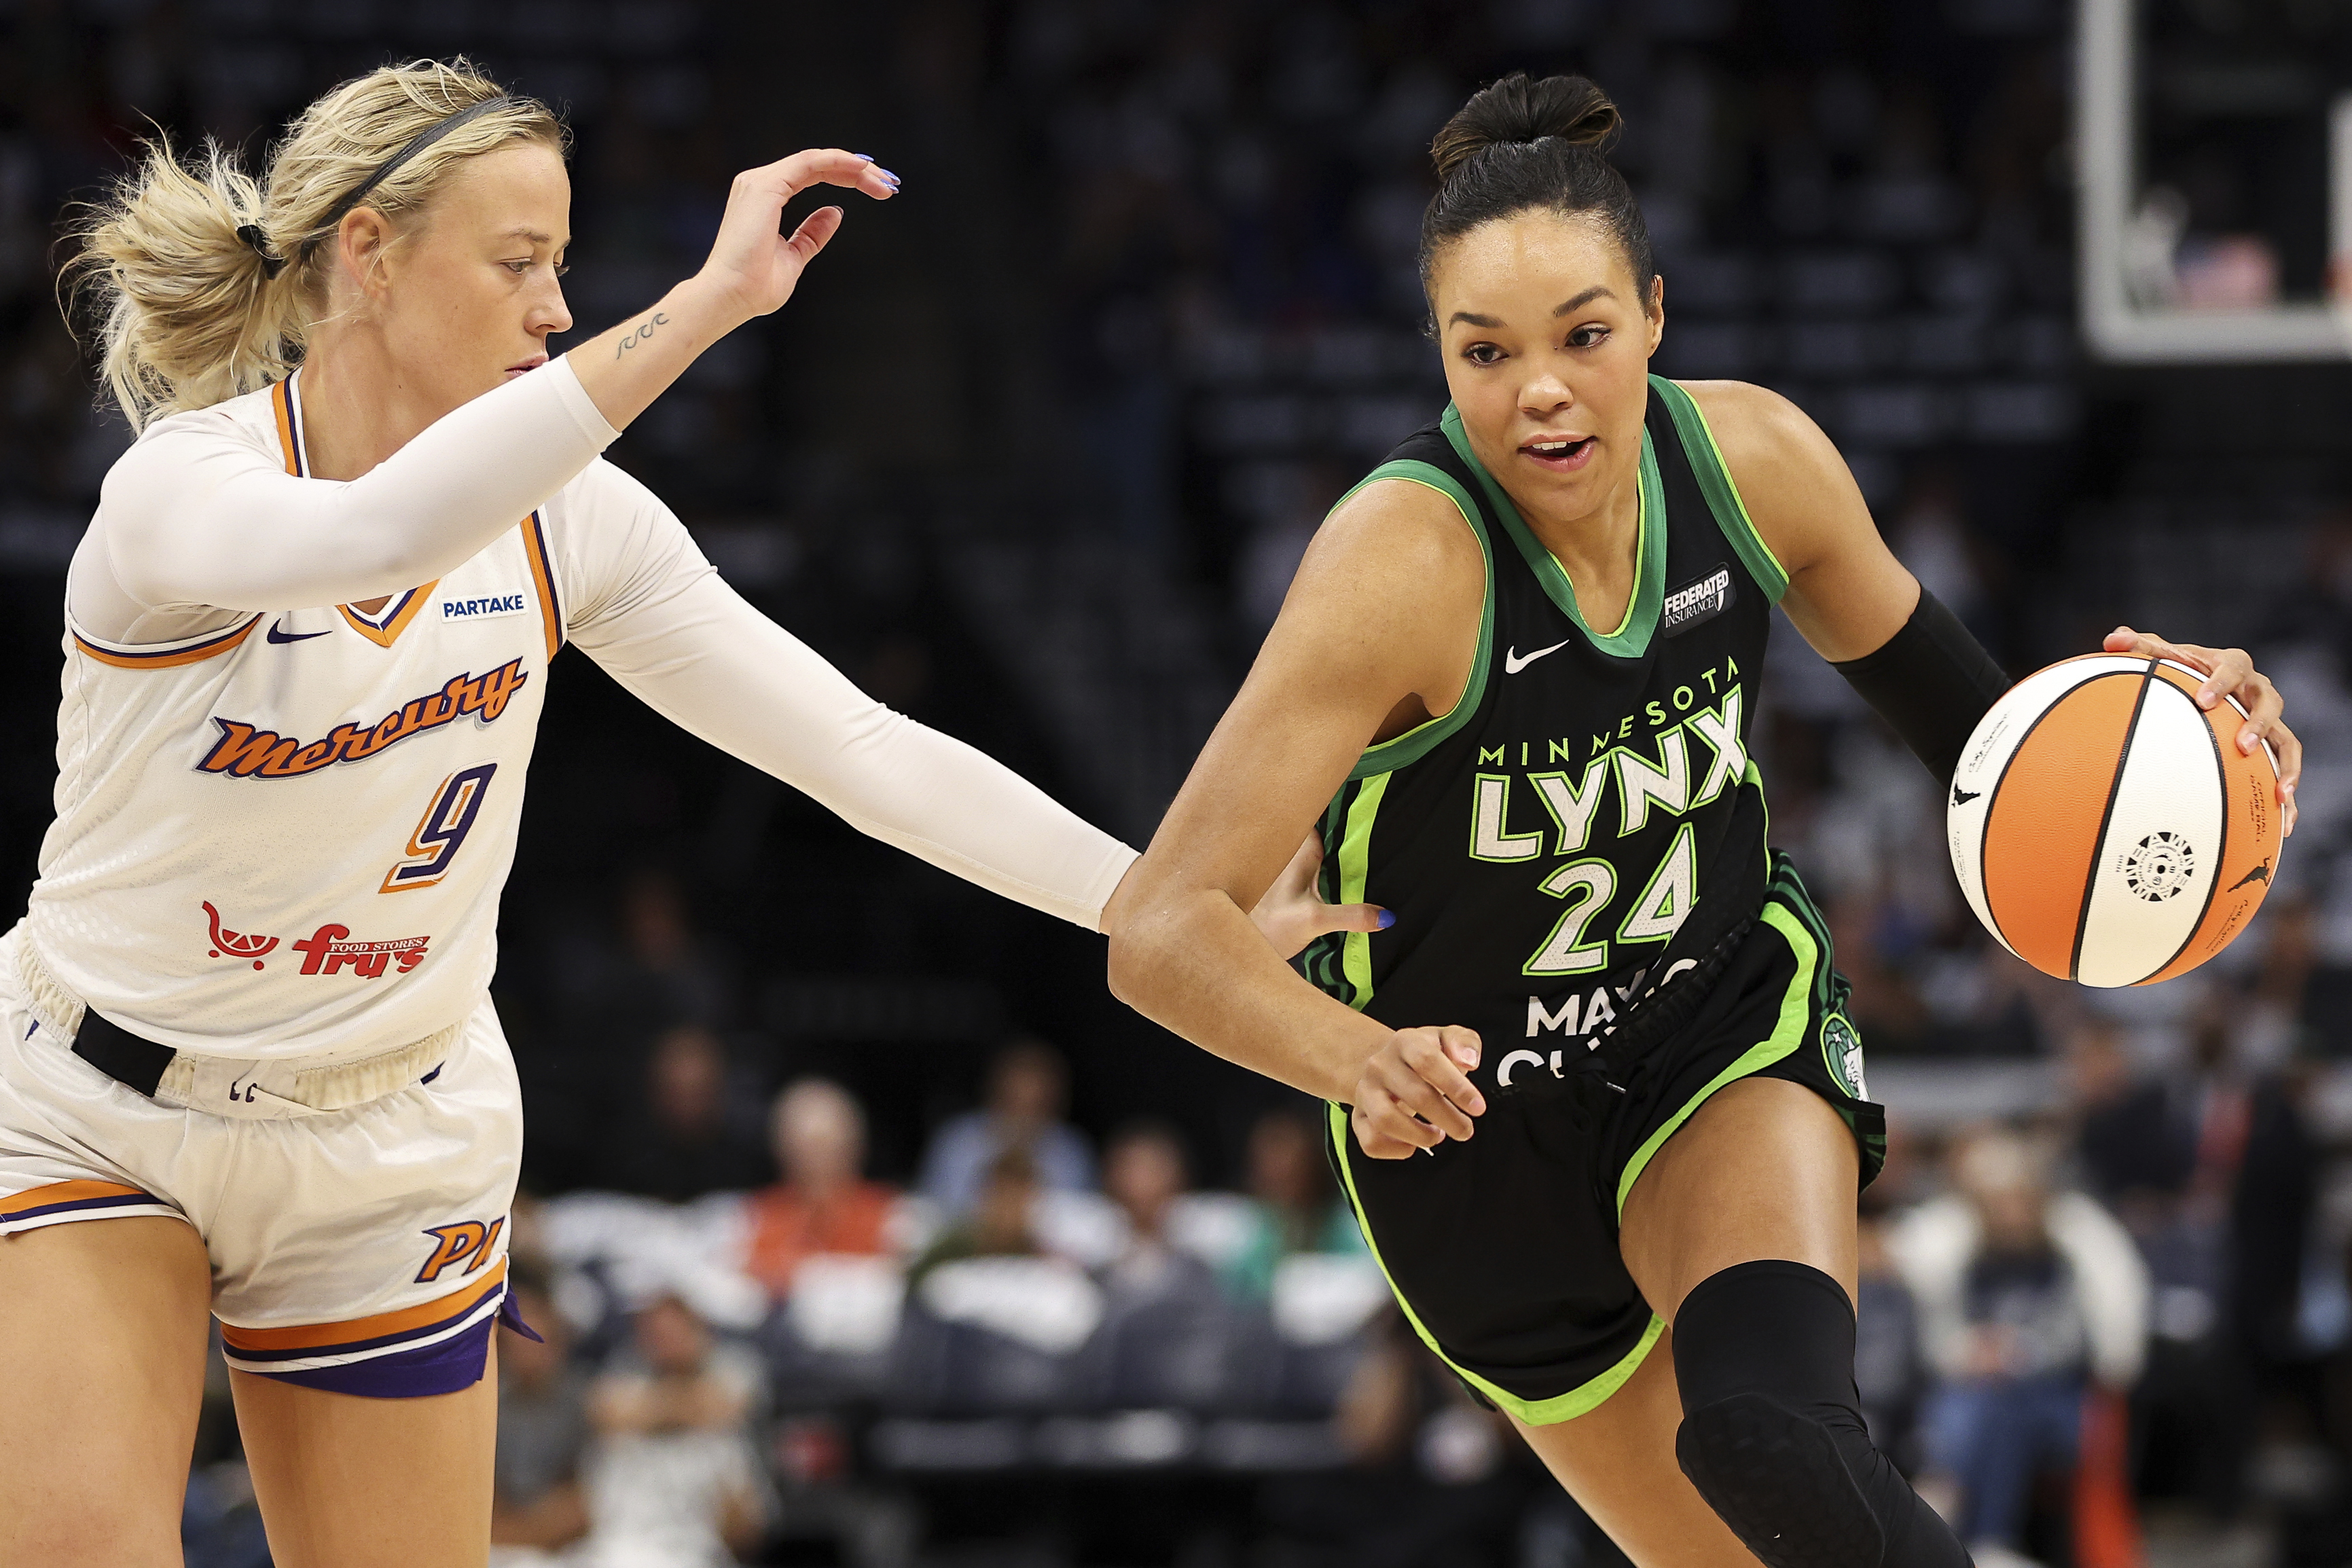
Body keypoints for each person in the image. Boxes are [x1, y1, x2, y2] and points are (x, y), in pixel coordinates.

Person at [1102, 73, 2302, 1568]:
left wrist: (2158, 741)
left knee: (1772, 1435)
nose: (1540, 388)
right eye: (1487, 351)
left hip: (1715, 1026)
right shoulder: (1396, 564)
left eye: (1583, 335)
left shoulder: (1753, 465)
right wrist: (1348, 1053)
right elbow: (1156, 930)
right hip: (1477, 1148)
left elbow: (1983, 747)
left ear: (1655, 318)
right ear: (1440, 354)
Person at [0, 59, 1140, 1567]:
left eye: (567, 267)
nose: (555, 309)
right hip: (104, 1107)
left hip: (391, 1120)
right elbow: (375, 535)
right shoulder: (183, 492)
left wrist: (1161, 896)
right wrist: (708, 302)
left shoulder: (576, 519)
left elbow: (864, 753)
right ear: (371, 253)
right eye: (521, 263)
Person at [1891, 1129, 2148, 1561]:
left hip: (2059, 1396)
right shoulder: (1973, 1262)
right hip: (1982, 1388)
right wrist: (1973, 1352)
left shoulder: (2062, 1258)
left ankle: (1974, 1535)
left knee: (2001, 1410)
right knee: (1964, 1407)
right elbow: (1949, 1331)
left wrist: (2019, 1353)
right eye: (1997, 1201)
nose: (2009, 1211)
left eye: (2018, 1197)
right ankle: (1964, 1531)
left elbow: (2076, 1340)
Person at [576, 1292, 770, 1568]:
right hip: (614, 1549)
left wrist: (648, 1412)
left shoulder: (724, 1431)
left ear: (701, 1335)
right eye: (656, 1337)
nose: (667, 1346)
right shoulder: (622, 1396)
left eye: (675, 1335)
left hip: (696, 1553)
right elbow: (604, 1409)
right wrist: (678, 1409)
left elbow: (727, 1402)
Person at [740, 1076, 905, 1303]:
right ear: (782, 1152)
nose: (814, 1162)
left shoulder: (894, 1217)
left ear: (854, 1148)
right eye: (802, 1149)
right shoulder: (752, 1217)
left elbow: (894, 1283)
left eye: (825, 1147)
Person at [917, 1036, 1096, 1214]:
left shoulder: (1072, 1153)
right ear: (996, 1093)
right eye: (1015, 1101)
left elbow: (1078, 1225)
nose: (1024, 1117)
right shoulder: (957, 1141)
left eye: (1037, 1106)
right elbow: (933, 1215)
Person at [488, 1266, 590, 1563]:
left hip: (569, 1547)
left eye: (536, 1338)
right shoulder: (493, 1407)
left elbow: (580, 1505)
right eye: (517, 1339)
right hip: (499, 1538)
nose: (526, 1349)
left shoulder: (580, 1404)